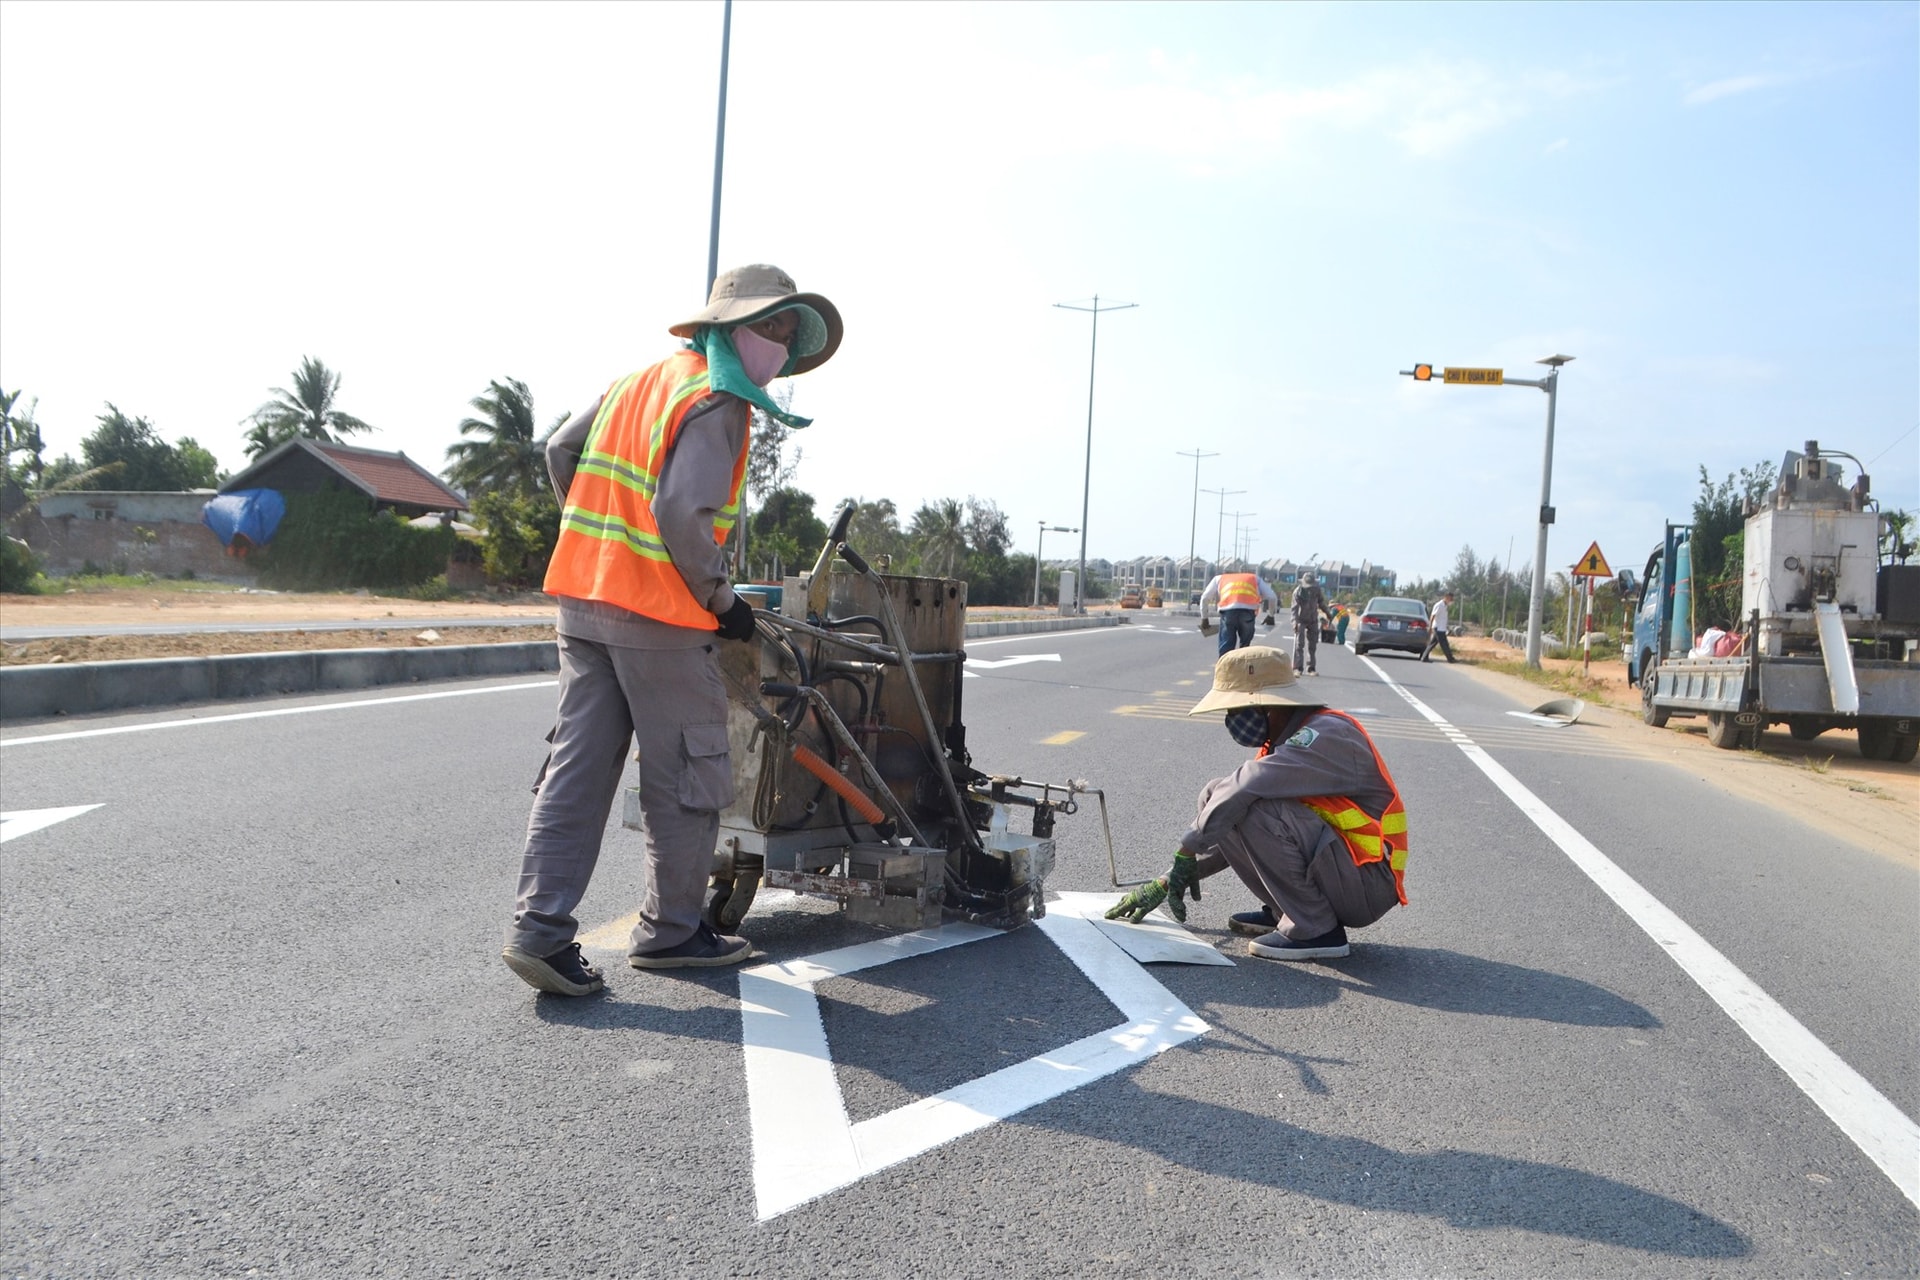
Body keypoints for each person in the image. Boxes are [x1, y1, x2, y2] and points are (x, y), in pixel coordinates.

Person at [500, 264, 843, 996]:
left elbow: (561, 450)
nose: (778, 345)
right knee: (689, 773)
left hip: (583, 604)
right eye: (770, 326)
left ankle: (539, 932)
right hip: (660, 616)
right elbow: (683, 514)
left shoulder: (639, 382)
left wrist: (606, 538)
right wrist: (722, 603)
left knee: (577, 770)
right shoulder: (716, 401)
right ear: (727, 328)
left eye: (787, 332)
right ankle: (673, 931)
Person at [1106, 645, 1409, 959]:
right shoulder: (1286, 741)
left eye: (1238, 710)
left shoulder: (1327, 734)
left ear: (1270, 707)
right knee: (1219, 795)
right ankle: (1287, 909)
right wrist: (1168, 880)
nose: (1231, 720)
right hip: (1345, 874)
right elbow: (1227, 824)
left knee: (1250, 803)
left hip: (1368, 882)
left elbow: (1247, 784)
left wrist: (1187, 848)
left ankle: (1315, 928)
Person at [1198, 569, 1278, 656]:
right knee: (1244, 649)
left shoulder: (1219, 579)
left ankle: (1225, 668)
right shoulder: (1254, 578)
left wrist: (1204, 618)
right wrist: (1270, 615)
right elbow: (1272, 597)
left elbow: (1205, 598)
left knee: (1226, 649)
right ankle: (1242, 667)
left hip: (1228, 613)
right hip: (1248, 613)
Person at [1290, 572, 1335, 674]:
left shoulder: (1317, 590)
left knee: (1313, 645)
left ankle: (1311, 668)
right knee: (1299, 644)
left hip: (1313, 619)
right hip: (1301, 620)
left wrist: (1328, 613)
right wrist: (1294, 623)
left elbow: (1321, 603)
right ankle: (1297, 668)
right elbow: (1294, 610)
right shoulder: (1298, 592)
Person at [1421, 590, 1457, 663]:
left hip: (1442, 628)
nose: (1451, 600)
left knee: (1432, 643)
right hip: (1438, 628)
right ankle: (1450, 659)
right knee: (1444, 644)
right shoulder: (1439, 605)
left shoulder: (1445, 606)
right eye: (1450, 598)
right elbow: (1432, 616)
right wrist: (1430, 627)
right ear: (1446, 597)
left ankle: (1424, 657)